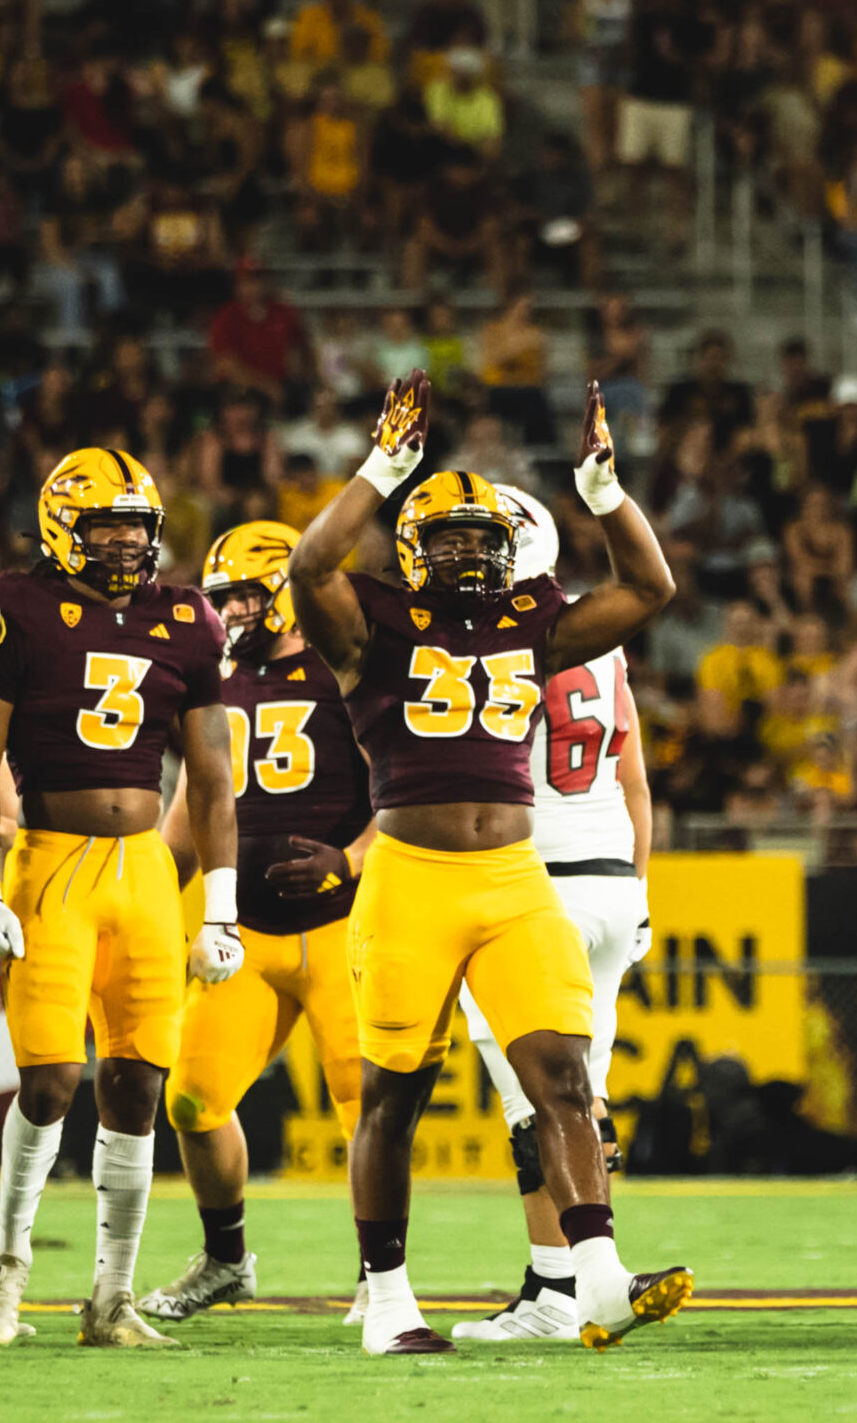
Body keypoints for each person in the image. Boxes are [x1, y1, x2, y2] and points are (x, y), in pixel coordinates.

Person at [289, 373, 690, 1354]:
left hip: (516, 882)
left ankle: (594, 1280)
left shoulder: (532, 623)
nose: (468, 552)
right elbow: (308, 567)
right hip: (412, 880)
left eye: (482, 540)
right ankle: (388, 1303)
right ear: (414, 550)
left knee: (562, 1077)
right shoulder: (372, 627)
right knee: (393, 1095)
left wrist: (604, 495)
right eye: (448, 539)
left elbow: (650, 589)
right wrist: (383, 469)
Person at [0, 447, 244, 1350]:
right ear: (60, 528)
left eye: (135, 525)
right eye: (105, 525)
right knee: (49, 1077)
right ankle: (4, 1271)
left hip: (147, 873)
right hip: (51, 863)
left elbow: (211, 772)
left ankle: (111, 1297)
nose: (124, 541)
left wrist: (221, 903)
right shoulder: (18, 608)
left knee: (138, 1082)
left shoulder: (188, 618)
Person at [139, 522, 375, 1325]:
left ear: (285, 590)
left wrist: (349, 860)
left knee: (367, 1110)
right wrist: (144, 893)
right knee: (193, 1100)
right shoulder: (214, 678)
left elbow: (404, 791)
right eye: (224, 595)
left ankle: (384, 1270)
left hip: (346, 924)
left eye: (246, 591)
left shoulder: (345, 665)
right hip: (246, 930)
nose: (234, 608)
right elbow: (186, 812)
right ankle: (226, 1258)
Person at [452, 485, 653, 1343]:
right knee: (584, 1096)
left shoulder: (503, 639)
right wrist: (641, 890)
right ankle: (572, 1279)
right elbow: (635, 776)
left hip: (538, 883)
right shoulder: (599, 638)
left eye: (470, 547)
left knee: (536, 1104)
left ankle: (559, 1290)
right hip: (611, 878)